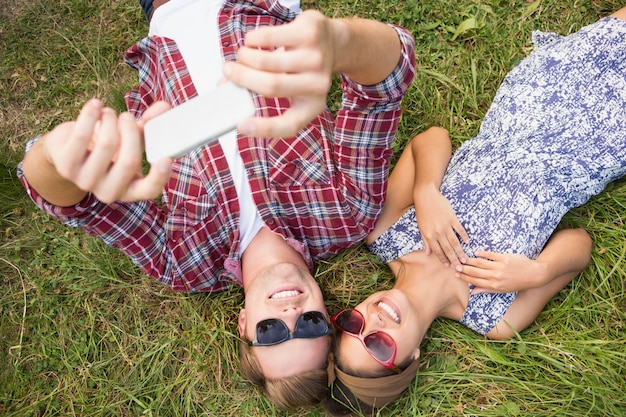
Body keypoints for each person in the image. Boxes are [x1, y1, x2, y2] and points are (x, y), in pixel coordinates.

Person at [16, 0, 416, 410]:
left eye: (273, 333)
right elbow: (384, 87)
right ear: (327, 312)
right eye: (310, 325)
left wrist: (54, 160)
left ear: (244, 324)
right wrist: (342, 43)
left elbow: (77, 206)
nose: (291, 313)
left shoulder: (184, 264)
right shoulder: (348, 213)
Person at [326, 6, 626, 415]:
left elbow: (431, 138)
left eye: (354, 326)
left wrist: (427, 190)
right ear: (412, 357)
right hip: (597, 146)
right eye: (379, 345)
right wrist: (537, 272)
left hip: (535, 99)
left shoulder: (385, 233)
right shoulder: (496, 318)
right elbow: (580, 244)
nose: (373, 323)